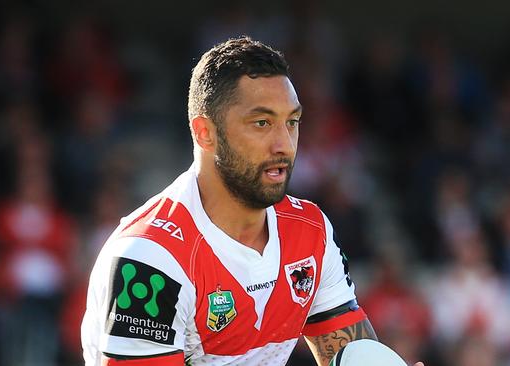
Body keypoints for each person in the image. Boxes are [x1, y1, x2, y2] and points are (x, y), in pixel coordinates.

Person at [81, 36, 423, 366]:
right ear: (205, 132)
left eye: (292, 122)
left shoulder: (311, 233)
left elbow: (352, 355)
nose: (284, 144)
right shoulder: (149, 257)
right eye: (262, 123)